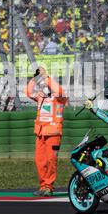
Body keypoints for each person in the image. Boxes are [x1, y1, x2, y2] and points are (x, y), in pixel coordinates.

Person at [25, 66, 68, 197]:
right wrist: (35, 78)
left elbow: (58, 90)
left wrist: (46, 76)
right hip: (40, 133)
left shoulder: (60, 97)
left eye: (46, 84)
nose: (43, 86)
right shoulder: (40, 97)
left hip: (53, 133)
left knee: (51, 161)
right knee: (40, 161)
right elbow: (27, 92)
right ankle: (43, 186)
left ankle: (49, 186)